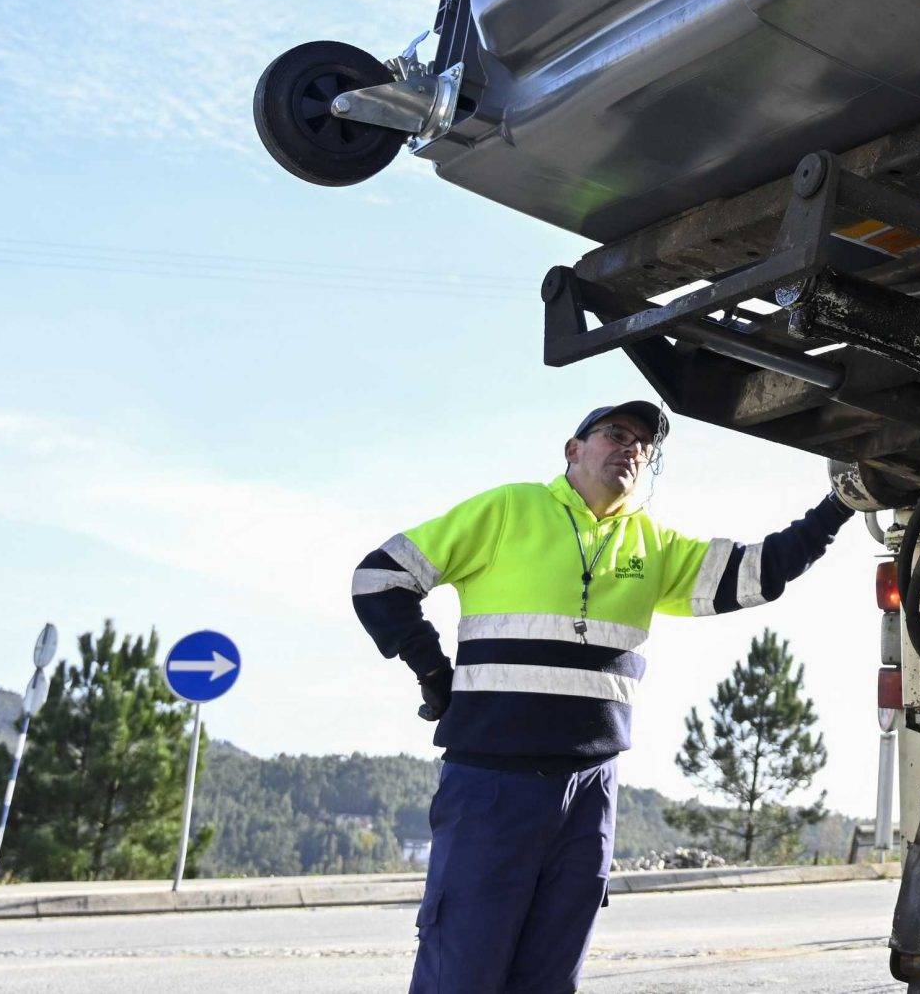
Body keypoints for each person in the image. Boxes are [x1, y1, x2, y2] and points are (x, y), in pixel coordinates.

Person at [350, 399, 853, 993]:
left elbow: (757, 572)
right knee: (462, 970)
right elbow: (378, 579)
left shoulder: (653, 544)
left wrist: (841, 504)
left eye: (645, 445)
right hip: (492, 785)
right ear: (574, 448)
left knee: (550, 976)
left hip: (591, 792)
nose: (633, 448)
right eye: (617, 433)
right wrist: (435, 675)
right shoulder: (509, 508)